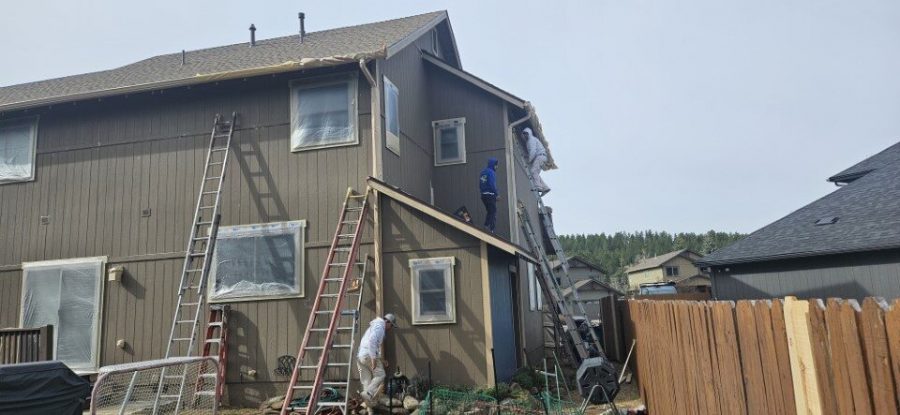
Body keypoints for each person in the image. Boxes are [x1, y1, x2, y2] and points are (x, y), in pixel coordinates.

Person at [357, 313, 397, 404]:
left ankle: (368, 404)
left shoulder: (374, 326)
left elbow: (373, 346)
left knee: (367, 380)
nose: (390, 328)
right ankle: (368, 393)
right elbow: (372, 342)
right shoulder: (380, 328)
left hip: (360, 356)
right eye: (391, 325)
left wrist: (382, 360)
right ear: (387, 322)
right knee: (381, 375)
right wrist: (373, 359)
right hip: (368, 355)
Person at [520, 127, 550, 195]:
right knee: (535, 173)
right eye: (524, 134)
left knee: (533, 171)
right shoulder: (530, 141)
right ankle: (545, 188)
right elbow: (532, 151)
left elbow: (533, 151)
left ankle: (538, 187)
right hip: (542, 157)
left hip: (540, 156)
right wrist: (527, 156)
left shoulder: (531, 140)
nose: (524, 136)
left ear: (529, 134)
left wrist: (529, 160)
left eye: (526, 134)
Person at [479, 158, 500, 232]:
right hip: (490, 195)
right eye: (496, 165)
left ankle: (488, 227)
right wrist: (496, 194)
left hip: (483, 195)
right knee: (493, 212)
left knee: (490, 211)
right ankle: (490, 229)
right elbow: (492, 184)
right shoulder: (491, 172)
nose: (497, 167)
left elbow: (480, 184)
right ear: (493, 165)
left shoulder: (483, 172)